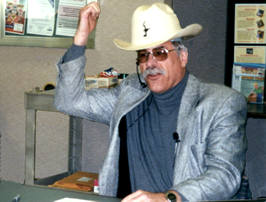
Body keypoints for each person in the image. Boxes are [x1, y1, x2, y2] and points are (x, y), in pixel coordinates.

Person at [55, 2, 247, 202]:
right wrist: (80, 39)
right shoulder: (131, 93)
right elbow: (69, 101)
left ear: (182, 56)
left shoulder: (220, 104)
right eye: (143, 55)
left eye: (160, 52)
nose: (150, 63)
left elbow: (225, 176)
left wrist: (168, 198)